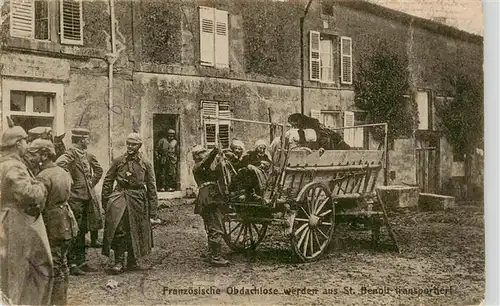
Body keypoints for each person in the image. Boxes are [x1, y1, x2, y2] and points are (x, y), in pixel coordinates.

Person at [0, 121, 53, 305]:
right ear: (17, 143)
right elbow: (29, 195)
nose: (28, 145)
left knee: (8, 273)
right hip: (17, 224)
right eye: (25, 141)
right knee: (27, 273)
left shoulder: (3, 163)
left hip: (5, 221)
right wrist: (41, 185)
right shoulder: (14, 166)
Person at [26, 139, 78, 306]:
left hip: (52, 224)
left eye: (34, 154)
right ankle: (61, 300)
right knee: (62, 263)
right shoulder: (63, 172)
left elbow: (38, 205)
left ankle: (53, 302)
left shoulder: (43, 176)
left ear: (44, 154)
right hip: (67, 222)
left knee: (52, 266)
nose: (32, 158)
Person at [101, 132, 158, 274]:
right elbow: (108, 180)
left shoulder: (146, 163)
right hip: (120, 196)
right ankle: (118, 261)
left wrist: (153, 210)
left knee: (136, 230)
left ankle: (133, 261)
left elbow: (151, 186)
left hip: (138, 199)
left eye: (133, 144)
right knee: (119, 229)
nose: (130, 147)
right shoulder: (118, 161)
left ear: (139, 146)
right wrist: (106, 201)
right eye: (128, 144)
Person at [56, 127, 103, 275]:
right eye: (87, 139)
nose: (88, 141)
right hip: (75, 199)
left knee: (83, 230)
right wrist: (70, 182)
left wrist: (90, 184)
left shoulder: (86, 154)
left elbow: (98, 171)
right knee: (74, 231)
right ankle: (72, 263)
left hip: (86, 198)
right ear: (81, 140)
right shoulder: (70, 153)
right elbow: (59, 164)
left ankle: (82, 261)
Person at [192, 145, 230, 267]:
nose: (205, 153)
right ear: (196, 156)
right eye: (202, 152)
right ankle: (216, 257)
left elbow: (218, 174)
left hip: (211, 197)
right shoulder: (198, 167)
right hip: (208, 198)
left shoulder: (206, 168)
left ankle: (211, 254)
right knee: (215, 226)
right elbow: (206, 161)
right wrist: (214, 151)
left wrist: (221, 159)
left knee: (211, 227)